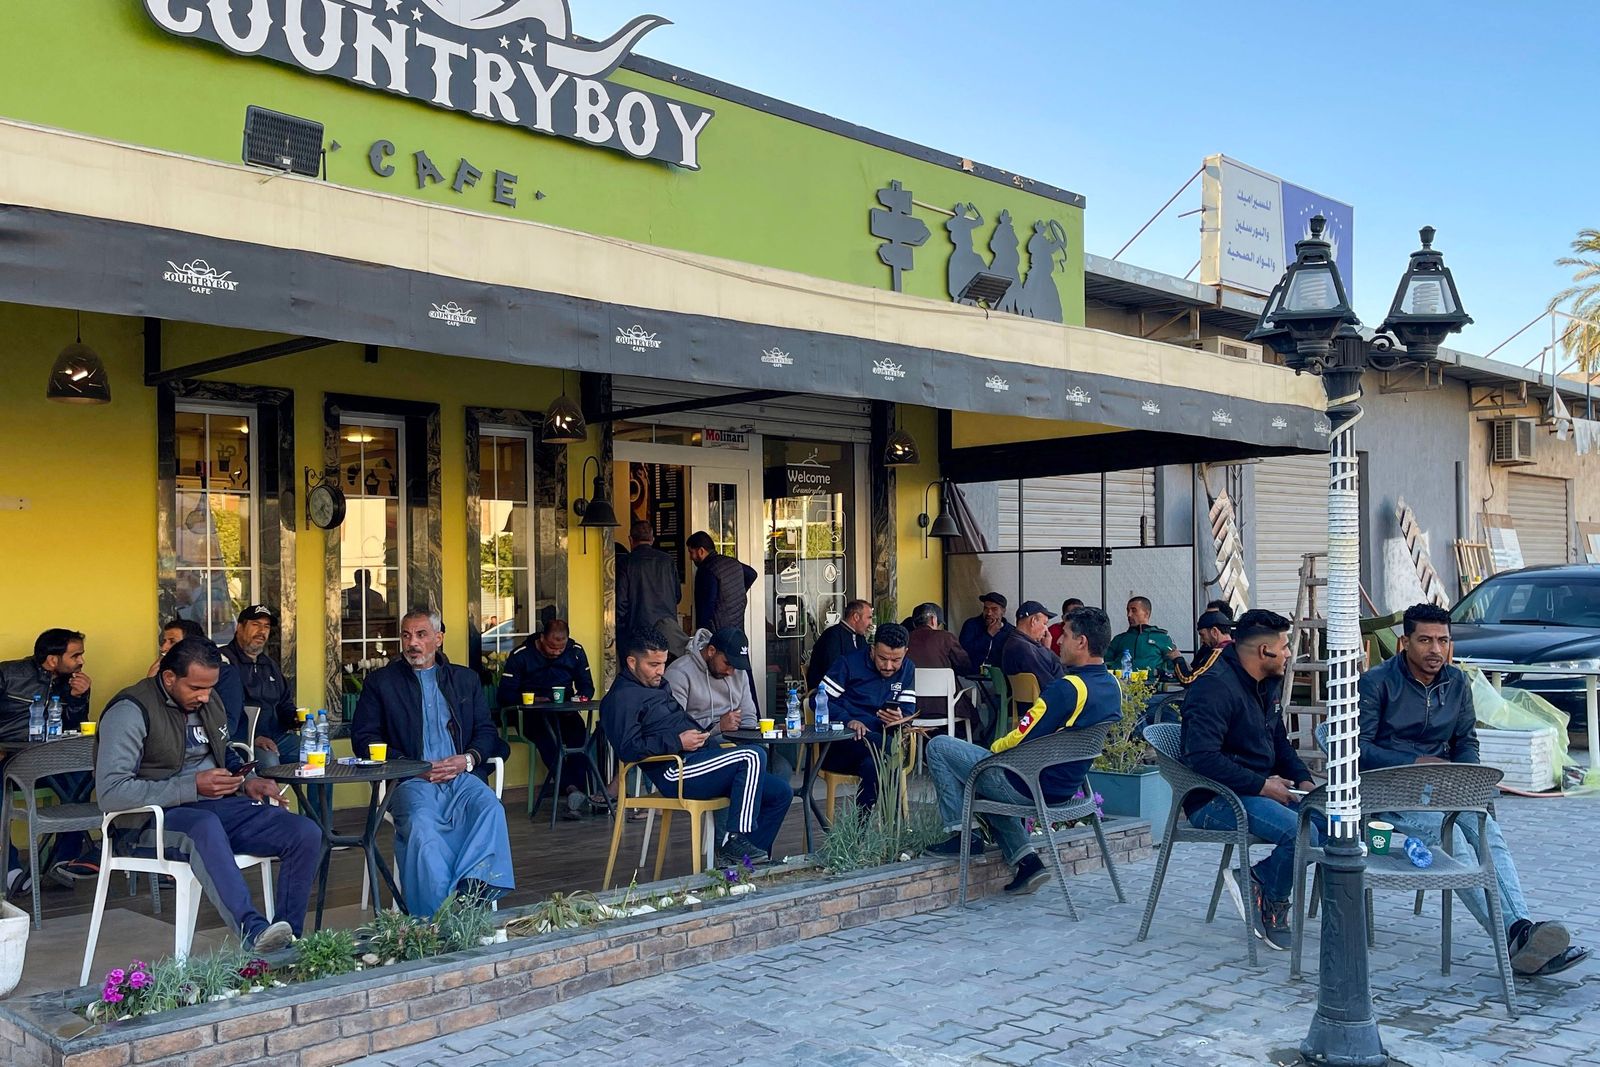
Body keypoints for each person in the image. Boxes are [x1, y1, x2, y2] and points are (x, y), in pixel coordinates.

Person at [1359, 603, 1589, 977]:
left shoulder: (1457, 682)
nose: (1435, 649)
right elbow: (1357, 749)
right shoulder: (1377, 682)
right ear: (1404, 642)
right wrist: (1414, 762)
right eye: (1425, 640)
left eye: (1443, 640)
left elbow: (1466, 741)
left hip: (1443, 787)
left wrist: (1468, 775)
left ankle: (1521, 932)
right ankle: (1513, 940)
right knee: (1454, 843)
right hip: (1389, 792)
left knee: (1487, 833)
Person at [96, 637, 317, 950]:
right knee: (203, 827)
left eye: (210, 687)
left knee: (303, 831)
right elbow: (111, 794)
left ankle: (286, 941)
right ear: (169, 677)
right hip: (148, 822)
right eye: (196, 688)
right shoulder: (131, 711)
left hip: (214, 808)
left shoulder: (209, 702)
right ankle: (253, 933)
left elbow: (222, 753)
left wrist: (244, 781)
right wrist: (192, 786)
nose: (204, 696)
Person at [924, 606, 1122, 894]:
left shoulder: (1067, 689)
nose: (1057, 641)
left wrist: (992, 750)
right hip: (1066, 787)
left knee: (941, 747)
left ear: (1081, 642)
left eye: (1065, 635)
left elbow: (1020, 737)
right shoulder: (1112, 685)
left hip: (1029, 786)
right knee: (982, 778)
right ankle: (1027, 862)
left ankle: (961, 835)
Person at [353, 610, 514, 915]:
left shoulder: (464, 680)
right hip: (410, 779)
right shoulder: (381, 682)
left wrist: (466, 760)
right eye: (406, 635)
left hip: (460, 776)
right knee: (422, 826)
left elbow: (486, 731)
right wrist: (413, 766)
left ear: (438, 639)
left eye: (421, 635)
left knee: (490, 809)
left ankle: (470, 894)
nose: (412, 643)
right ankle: (437, 916)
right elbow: (364, 738)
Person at [1180, 609, 1317, 950]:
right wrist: (1261, 785)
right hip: (1211, 798)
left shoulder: (1266, 682)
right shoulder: (1212, 689)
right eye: (1284, 647)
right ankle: (1267, 895)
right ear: (1263, 652)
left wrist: (1303, 780)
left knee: (1328, 825)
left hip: (1255, 787)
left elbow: (1279, 741)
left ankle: (1262, 880)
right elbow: (1201, 758)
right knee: (1299, 833)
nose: (1288, 653)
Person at [601, 628, 790, 865]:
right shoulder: (621, 698)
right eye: (653, 664)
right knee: (752, 756)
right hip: (674, 771)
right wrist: (678, 741)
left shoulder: (656, 686)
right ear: (631, 662)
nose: (661, 671)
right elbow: (629, 749)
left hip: (697, 758)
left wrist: (703, 734)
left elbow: (678, 722)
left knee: (781, 792)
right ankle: (734, 840)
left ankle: (743, 862)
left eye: (662, 663)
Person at [1, 629, 95, 888]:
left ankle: (64, 861)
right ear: (53, 659)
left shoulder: (71, 682)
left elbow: (73, 727)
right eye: (75, 655)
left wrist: (78, 699)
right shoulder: (8, 674)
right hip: (8, 759)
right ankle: (9, 868)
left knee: (82, 778)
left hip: (49, 761)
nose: (81, 661)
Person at [496, 618, 599, 818]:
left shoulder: (575, 652)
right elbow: (504, 694)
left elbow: (587, 686)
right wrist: (533, 699)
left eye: (560, 648)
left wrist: (578, 700)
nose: (556, 652)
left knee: (580, 737)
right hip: (532, 715)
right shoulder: (521, 655)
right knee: (549, 741)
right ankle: (572, 790)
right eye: (551, 646)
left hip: (564, 712)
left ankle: (576, 797)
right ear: (542, 638)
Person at [816, 623, 919, 810]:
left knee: (876, 764)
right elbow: (819, 701)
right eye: (882, 658)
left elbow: (908, 711)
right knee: (890, 750)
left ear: (906, 652)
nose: (889, 666)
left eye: (896, 660)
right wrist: (849, 720)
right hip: (843, 744)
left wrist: (899, 717)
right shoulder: (848, 663)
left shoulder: (908, 669)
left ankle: (860, 833)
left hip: (879, 749)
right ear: (872, 649)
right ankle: (894, 832)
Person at [222, 605, 301, 769]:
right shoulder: (224, 662)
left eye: (266, 627)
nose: (262, 631)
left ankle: (311, 797)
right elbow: (221, 711)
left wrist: (295, 719)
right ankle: (268, 795)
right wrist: (255, 737)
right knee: (270, 762)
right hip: (241, 741)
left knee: (323, 753)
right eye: (256, 625)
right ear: (240, 628)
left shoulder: (270, 664)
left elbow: (284, 704)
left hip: (277, 737)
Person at [618, 520, 690, 656]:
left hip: (638, 631)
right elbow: (677, 596)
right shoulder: (668, 560)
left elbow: (621, 603)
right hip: (668, 632)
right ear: (652, 540)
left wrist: (620, 633)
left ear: (630, 540)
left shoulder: (626, 562)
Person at [687, 530, 758, 633]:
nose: (690, 557)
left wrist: (700, 634)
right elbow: (752, 574)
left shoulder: (706, 570)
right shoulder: (732, 562)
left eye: (691, 552)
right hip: (737, 630)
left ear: (701, 551)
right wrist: (736, 594)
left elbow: (706, 608)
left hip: (718, 634)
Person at [806, 599, 871, 692]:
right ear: (856, 617)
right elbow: (833, 670)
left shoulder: (859, 637)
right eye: (869, 617)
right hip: (828, 691)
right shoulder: (832, 636)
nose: (870, 623)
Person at [1000, 600, 1064, 691]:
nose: (1046, 630)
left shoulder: (1015, 643)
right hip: (1039, 703)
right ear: (1033, 621)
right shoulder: (1024, 649)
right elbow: (1049, 685)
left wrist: (1046, 649)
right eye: (1045, 623)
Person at [1107, 596, 1177, 674]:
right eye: (1128, 611)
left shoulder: (1162, 639)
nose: (1129, 615)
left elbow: (1172, 667)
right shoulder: (1119, 639)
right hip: (1121, 683)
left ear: (1146, 614)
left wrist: (1156, 672)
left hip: (1151, 684)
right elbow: (1105, 663)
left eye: (1134, 610)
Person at [1166, 608, 1234, 686]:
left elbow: (1188, 680)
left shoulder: (1218, 653)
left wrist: (1177, 659)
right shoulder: (1236, 649)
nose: (1202, 640)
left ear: (1214, 632)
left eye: (1202, 635)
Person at [958, 592, 1015, 671]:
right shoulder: (972, 625)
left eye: (994, 609)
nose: (989, 613)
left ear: (1003, 611)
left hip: (998, 678)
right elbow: (963, 653)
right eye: (986, 608)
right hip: (972, 676)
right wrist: (988, 635)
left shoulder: (1011, 632)